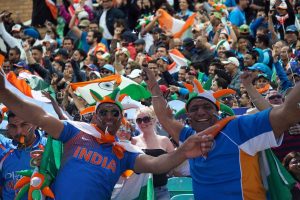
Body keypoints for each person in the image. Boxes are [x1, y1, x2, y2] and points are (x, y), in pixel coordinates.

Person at [0, 70, 213, 199]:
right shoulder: (75, 132)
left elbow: (158, 164)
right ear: (94, 116)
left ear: (122, 119)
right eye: (103, 112)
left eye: (114, 113)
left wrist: (184, 151)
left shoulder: (124, 152)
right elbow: (37, 116)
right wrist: (4, 92)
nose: (108, 117)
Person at [141, 66, 300, 199]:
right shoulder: (189, 138)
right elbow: (165, 119)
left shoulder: (238, 128)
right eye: (194, 109)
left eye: (207, 107)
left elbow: (287, 114)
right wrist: (154, 88)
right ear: (188, 116)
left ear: (218, 112)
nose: (201, 112)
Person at [0, 111, 47, 199]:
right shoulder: (4, 155)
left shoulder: (49, 148)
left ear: (35, 124)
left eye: (24, 125)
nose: (19, 132)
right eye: (13, 127)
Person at [132, 107, 174, 200]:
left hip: (160, 190)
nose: (142, 123)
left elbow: (174, 162)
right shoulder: (133, 141)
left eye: (146, 119)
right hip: (139, 191)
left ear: (154, 120)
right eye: (139, 120)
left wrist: (166, 172)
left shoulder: (165, 140)